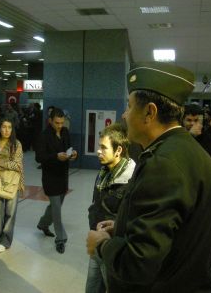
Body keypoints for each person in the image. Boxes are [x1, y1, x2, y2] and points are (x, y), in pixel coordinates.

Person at [86, 61, 211, 292]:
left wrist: (102, 246)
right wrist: (122, 226)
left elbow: (139, 264)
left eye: (129, 107)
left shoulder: (163, 164)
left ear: (150, 112)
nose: (125, 115)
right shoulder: (187, 151)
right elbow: (175, 229)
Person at [86, 123, 135, 293]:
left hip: (113, 248)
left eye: (103, 147)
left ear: (118, 150)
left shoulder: (131, 180)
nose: (98, 151)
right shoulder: (104, 171)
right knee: (92, 288)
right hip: (97, 241)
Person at [36, 108, 77, 254]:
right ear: (50, 121)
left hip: (63, 176)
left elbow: (69, 148)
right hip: (50, 177)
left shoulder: (65, 132)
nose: (59, 125)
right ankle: (61, 239)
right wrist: (55, 157)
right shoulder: (44, 136)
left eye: (62, 122)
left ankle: (43, 224)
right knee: (57, 209)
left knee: (56, 205)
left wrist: (72, 154)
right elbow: (39, 157)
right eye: (57, 123)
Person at [0, 117, 24, 253]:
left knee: (10, 213)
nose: (7, 130)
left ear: (12, 129)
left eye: (9, 127)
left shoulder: (16, 144)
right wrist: (7, 165)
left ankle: (5, 241)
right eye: (4, 127)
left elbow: (17, 165)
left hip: (12, 183)